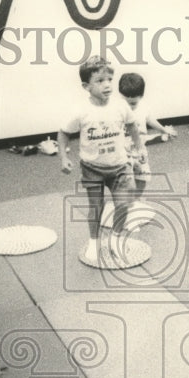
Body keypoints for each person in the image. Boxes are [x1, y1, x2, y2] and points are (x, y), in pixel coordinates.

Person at [58, 56, 143, 263]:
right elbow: (63, 132)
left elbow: (132, 125)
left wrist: (139, 147)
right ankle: (94, 242)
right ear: (86, 86)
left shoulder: (121, 106)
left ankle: (115, 237)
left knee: (123, 204)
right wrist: (63, 157)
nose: (107, 85)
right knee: (97, 207)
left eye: (109, 80)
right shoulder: (80, 111)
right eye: (100, 81)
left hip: (120, 165)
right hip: (92, 167)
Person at [118, 72, 177, 209]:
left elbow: (150, 120)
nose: (130, 106)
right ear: (121, 95)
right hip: (123, 152)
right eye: (127, 101)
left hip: (139, 150)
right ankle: (126, 203)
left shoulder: (143, 107)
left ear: (141, 96)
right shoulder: (118, 109)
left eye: (133, 103)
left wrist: (164, 130)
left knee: (143, 177)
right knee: (127, 181)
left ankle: (136, 200)